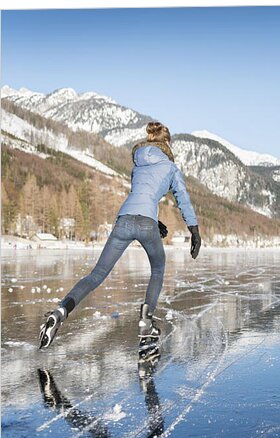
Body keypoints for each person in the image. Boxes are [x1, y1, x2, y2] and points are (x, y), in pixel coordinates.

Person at [38, 121, 202, 350]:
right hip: (145, 224)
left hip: (124, 220)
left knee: (96, 274)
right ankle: (146, 322)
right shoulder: (170, 168)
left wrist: (156, 221)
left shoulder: (138, 164)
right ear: (168, 143)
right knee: (158, 269)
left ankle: (61, 311)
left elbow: (140, 195)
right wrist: (193, 230)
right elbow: (182, 198)